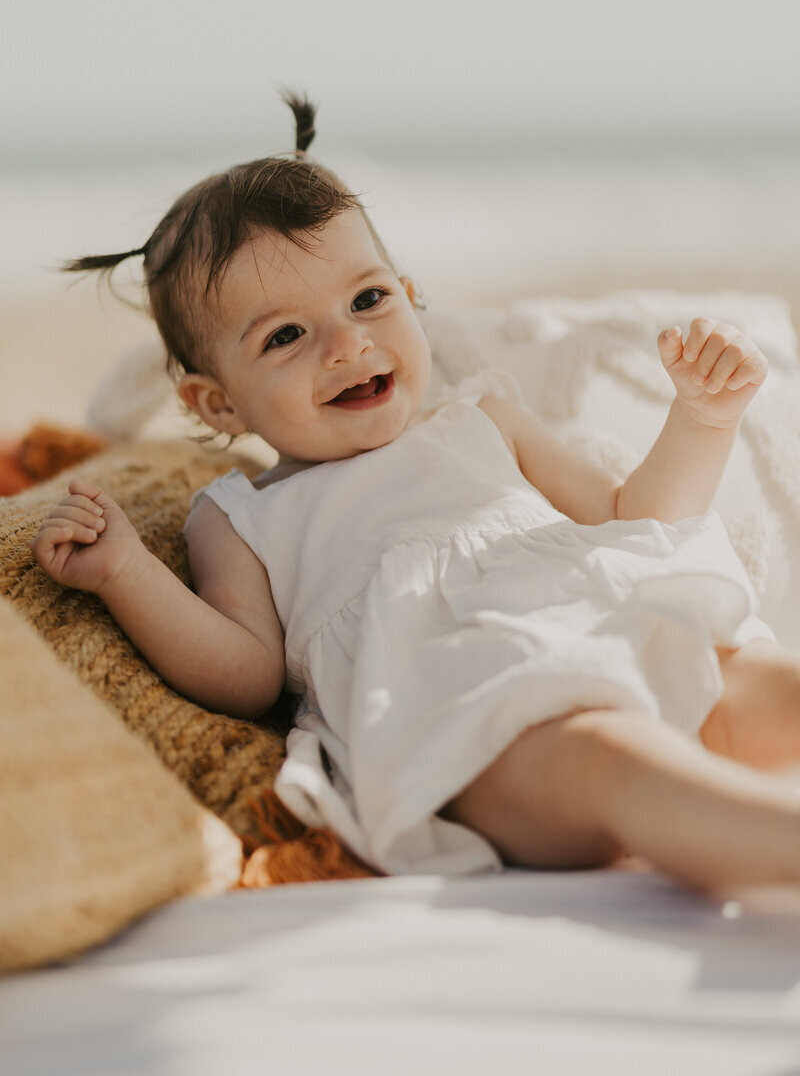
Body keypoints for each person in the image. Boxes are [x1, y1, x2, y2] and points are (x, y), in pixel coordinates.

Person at [33, 94, 800, 891]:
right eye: (285, 336)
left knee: (762, 686)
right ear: (216, 403)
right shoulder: (243, 514)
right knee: (617, 762)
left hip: (624, 633)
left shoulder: (483, 418)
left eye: (368, 300)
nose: (348, 343)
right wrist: (127, 574)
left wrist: (703, 420)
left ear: (408, 294)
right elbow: (247, 673)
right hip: (472, 720)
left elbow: (634, 518)